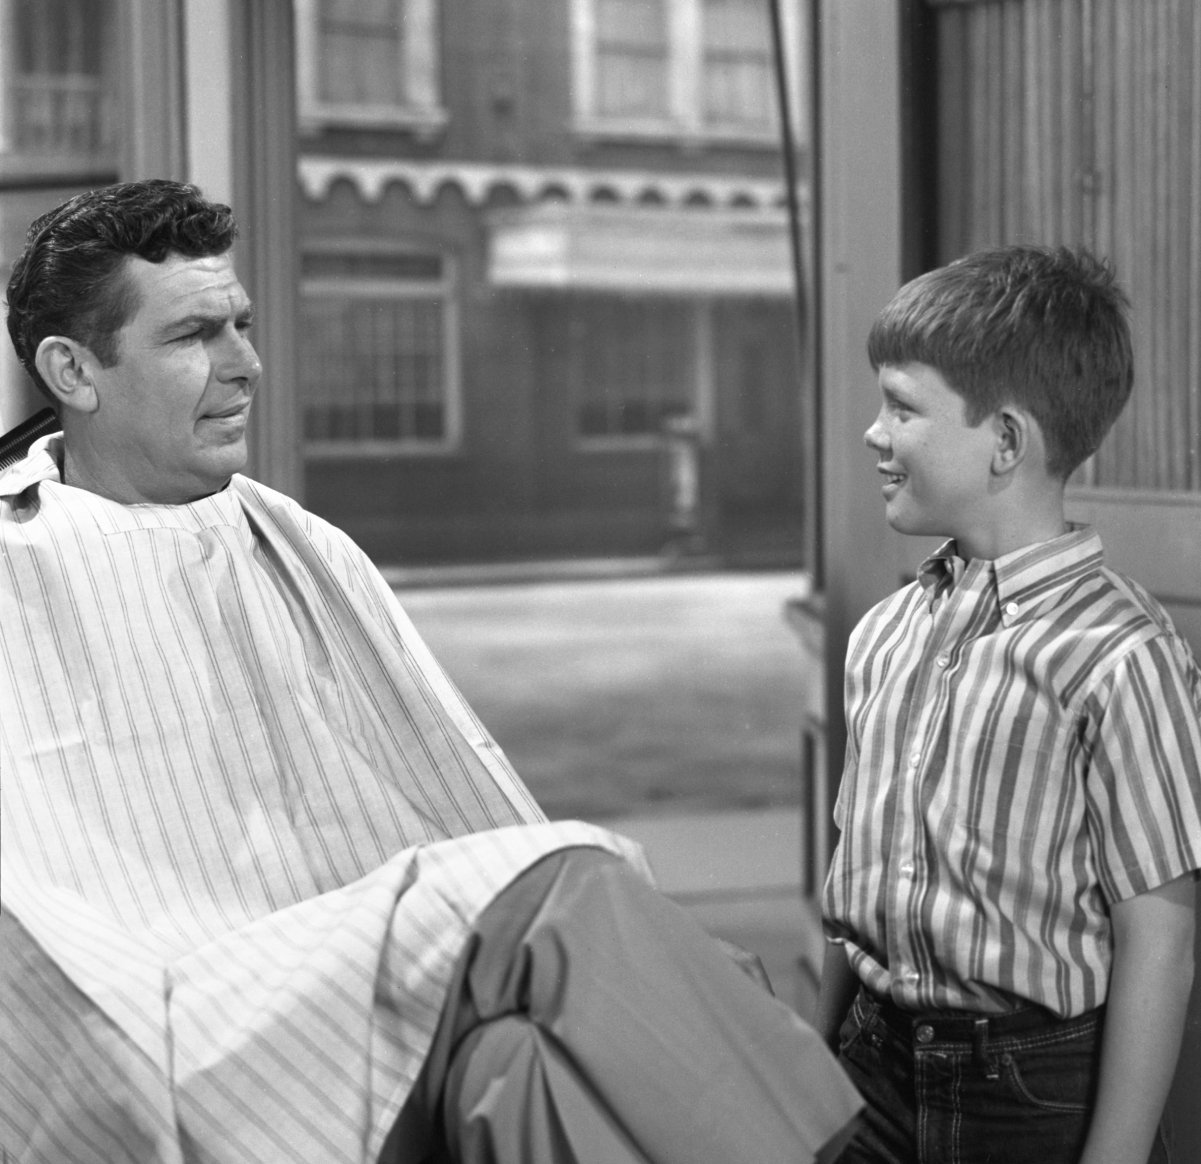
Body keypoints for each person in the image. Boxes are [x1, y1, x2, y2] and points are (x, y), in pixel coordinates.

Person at [0, 180, 862, 1164]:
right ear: (73, 369)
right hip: (179, 1006)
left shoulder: (297, 541)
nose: (247, 365)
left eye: (242, 324)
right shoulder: (18, 566)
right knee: (570, 889)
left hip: (374, 976)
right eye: (196, 335)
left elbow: (449, 795)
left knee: (521, 1065)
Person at [814, 243, 1201, 1164]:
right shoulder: (884, 633)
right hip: (868, 1061)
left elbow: (1162, 938)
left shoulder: (1121, 656)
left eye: (901, 407)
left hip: (1027, 1093)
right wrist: (814, 1067)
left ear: (1005, 442)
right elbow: (853, 876)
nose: (873, 433)